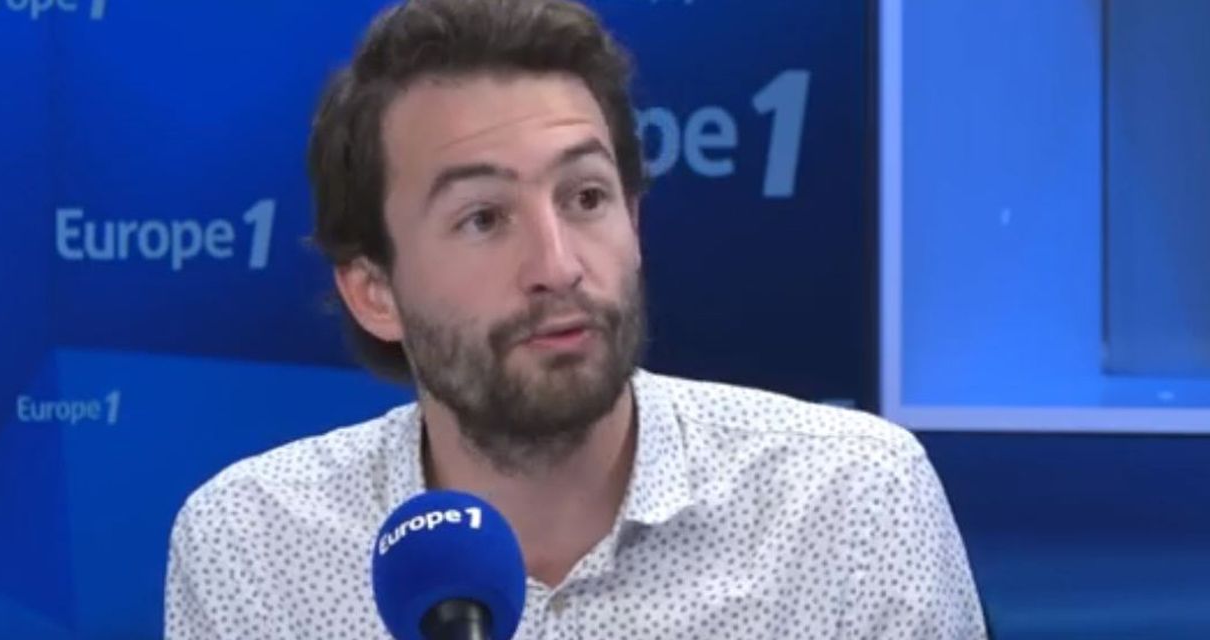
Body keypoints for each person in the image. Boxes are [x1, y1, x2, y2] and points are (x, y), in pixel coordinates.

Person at [164, 0, 987, 637]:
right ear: (374, 290)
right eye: (484, 218)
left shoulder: (848, 500)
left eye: (586, 197)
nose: (558, 265)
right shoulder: (255, 545)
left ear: (634, 221)